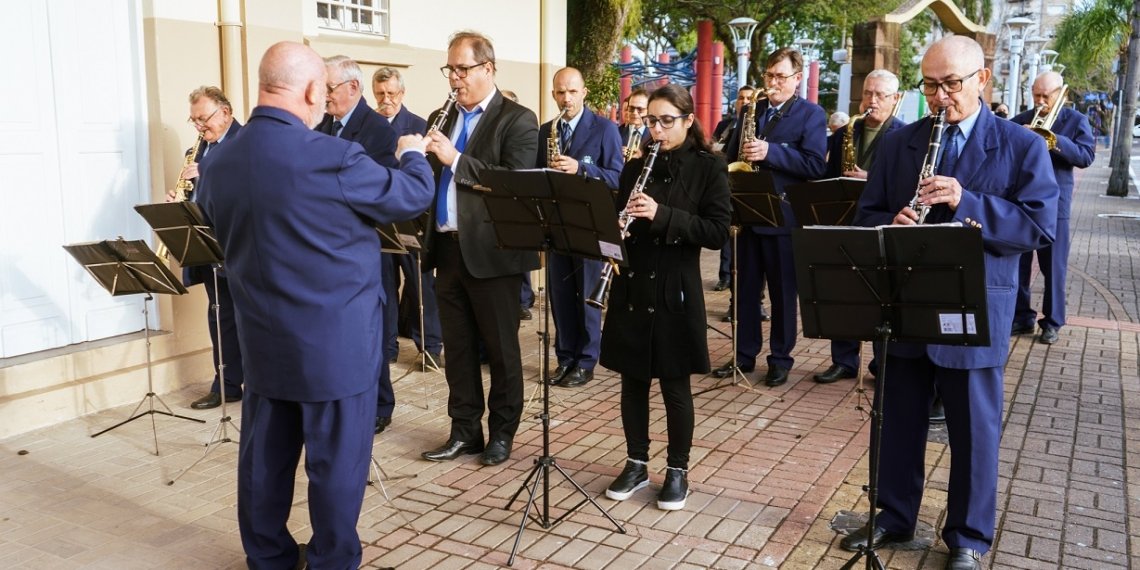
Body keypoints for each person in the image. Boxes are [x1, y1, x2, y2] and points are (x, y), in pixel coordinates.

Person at [197, 41, 434, 570]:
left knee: (263, 464)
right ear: (309, 91)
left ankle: (269, 559)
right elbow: (411, 195)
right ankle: (331, 561)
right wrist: (412, 153)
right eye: (322, 92)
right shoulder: (334, 157)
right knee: (335, 470)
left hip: (262, 342)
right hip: (334, 350)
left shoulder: (219, 162)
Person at [844, 36, 1058, 570]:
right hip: (906, 303)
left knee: (974, 431)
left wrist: (968, 201)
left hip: (976, 306)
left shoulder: (1021, 145)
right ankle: (895, 516)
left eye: (952, 84)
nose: (940, 97)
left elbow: (1037, 227)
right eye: (931, 85)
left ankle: (968, 536)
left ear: (981, 79)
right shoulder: (901, 142)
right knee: (898, 419)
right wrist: (889, 224)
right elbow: (866, 215)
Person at [601, 83, 731, 511]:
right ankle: (636, 462)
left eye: (666, 121)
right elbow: (615, 222)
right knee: (632, 381)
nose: (656, 130)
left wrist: (662, 215)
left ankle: (678, 470)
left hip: (675, 288)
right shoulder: (635, 167)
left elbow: (716, 231)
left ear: (688, 120)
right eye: (650, 121)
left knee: (675, 386)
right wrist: (611, 236)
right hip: (634, 284)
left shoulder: (709, 167)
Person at [420, 30, 540, 467]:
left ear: (488, 68)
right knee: (459, 349)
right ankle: (464, 431)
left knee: (501, 350)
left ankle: (502, 433)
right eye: (449, 69)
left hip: (494, 253)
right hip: (448, 248)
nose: (454, 78)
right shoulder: (442, 115)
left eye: (462, 69)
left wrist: (454, 159)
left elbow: (510, 183)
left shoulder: (518, 119)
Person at [715, 47, 828, 387]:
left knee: (782, 295)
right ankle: (743, 355)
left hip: (783, 217)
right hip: (748, 214)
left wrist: (771, 152)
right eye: (769, 75)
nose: (773, 82)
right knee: (745, 293)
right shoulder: (752, 109)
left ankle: (780, 359)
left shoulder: (811, 114)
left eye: (780, 76)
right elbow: (731, 157)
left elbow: (815, 165)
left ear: (797, 78)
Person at [315, 55, 402, 435]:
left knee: (370, 330)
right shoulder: (322, 124)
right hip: (326, 247)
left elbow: (376, 186)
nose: (324, 96)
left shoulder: (377, 128)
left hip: (363, 245)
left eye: (329, 88)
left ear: (352, 87)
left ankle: (380, 403)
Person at [815, 69, 906, 384]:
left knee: (884, 296)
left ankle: (882, 363)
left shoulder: (905, 135)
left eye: (880, 95)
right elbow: (827, 176)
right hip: (845, 221)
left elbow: (906, 184)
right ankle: (844, 360)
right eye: (868, 93)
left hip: (882, 223)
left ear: (895, 99)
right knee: (844, 293)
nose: (872, 100)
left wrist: (871, 179)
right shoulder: (845, 132)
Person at [537, 67, 623, 388]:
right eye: (560, 92)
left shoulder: (605, 129)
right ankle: (565, 358)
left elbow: (617, 177)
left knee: (587, 295)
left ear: (584, 93)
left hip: (589, 225)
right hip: (557, 225)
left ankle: (586, 361)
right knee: (560, 296)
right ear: (553, 94)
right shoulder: (546, 131)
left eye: (572, 92)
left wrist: (581, 169)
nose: (566, 99)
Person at [1010, 71, 1096, 344]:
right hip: (1021, 203)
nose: (1040, 101)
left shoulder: (1076, 120)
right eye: (1036, 95)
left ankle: (1053, 321)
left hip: (1055, 206)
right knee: (1018, 265)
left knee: (1054, 267)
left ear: (1061, 94)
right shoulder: (1021, 120)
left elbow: (1085, 156)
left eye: (1046, 96)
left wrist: (1054, 140)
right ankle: (1022, 317)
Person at [176, 86, 245, 411]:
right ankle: (226, 385)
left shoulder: (246, 142)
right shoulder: (198, 150)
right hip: (209, 246)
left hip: (240, 247)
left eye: (203, 118)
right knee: (220, 316)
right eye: (194, 120)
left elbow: (249, 185)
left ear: (225, 113)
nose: (199, 126)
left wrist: (208, 172)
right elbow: (200, 196)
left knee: (250, 319)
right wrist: (182, 200)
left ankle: (261, 387)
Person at [373, 66, 445, 371]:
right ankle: (387, 347)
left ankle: (430, 347)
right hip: (378, 218)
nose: (386, 99)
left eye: (391, 93)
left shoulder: (417, 125)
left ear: (402, 93)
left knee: (420, 284)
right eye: (380, 93)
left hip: (410, 217)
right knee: (383, 285)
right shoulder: (369, 125)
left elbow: (426, 173)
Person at [712, 85, 756, 292]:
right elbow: (714, 147)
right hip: (728, 179)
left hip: (749, 182)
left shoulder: (757, 122)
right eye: (741, 98)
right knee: (728, 230)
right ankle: (725, 275)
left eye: (748, 98)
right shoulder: (725, 125)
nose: (744, 101)